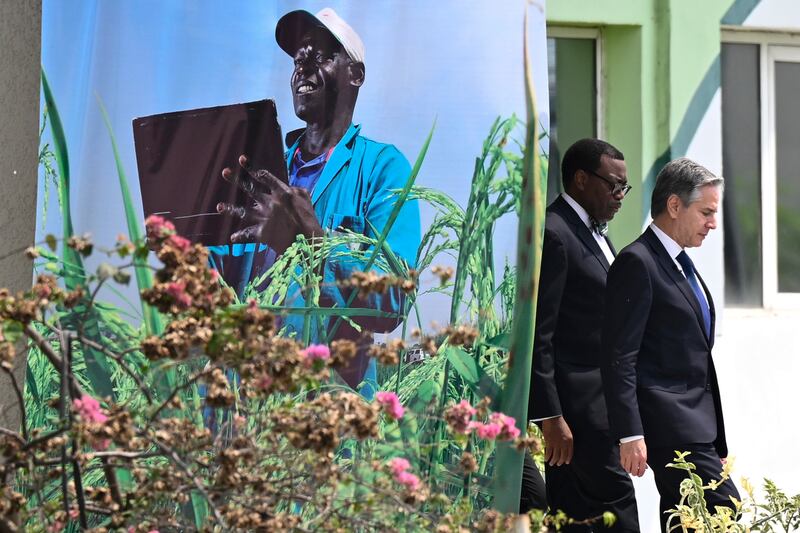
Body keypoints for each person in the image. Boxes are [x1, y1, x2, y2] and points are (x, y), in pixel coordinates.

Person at [209, 8, 421, 391]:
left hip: (331, 411)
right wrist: (186, 251)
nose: (302, 67)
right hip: (245, 405)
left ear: (355, 74)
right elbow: (222, 268)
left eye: (320, 55)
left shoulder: (382, 168)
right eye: (297, 59)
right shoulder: (263, 172)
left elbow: (394, 300)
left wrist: (313, 245)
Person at [601, 158, 739, 531]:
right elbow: (619, 357)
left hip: (699, 428)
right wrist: (630, 434)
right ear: (674, 205)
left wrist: (717, 439)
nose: (713, 223)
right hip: (671, 427)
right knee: (723, 512)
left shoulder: (681, 263)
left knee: (689, 520)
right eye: (706, 212)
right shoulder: (637, 262)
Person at [524, 139, 639, 530]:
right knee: (617, 502)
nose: (621, 195)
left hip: (601, 404)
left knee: (575, 515)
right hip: (577, 412)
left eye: (625, 186)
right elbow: (540, 334)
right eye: (614, 185)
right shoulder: (556, 234)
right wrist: (551, 416)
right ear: (580, 179)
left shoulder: (594, 232)